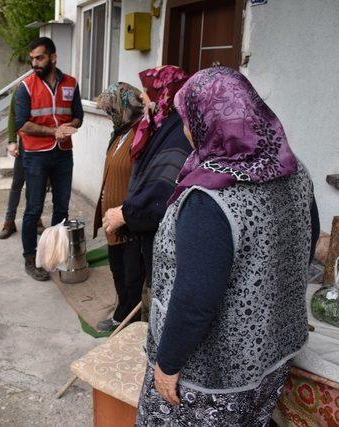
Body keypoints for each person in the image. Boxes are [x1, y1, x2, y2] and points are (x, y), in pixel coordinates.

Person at [136, 66, 320, 426]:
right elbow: (306, 245)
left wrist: (168, 363)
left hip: (214, 376)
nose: (186, 130)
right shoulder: (292, 170)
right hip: (273, 353)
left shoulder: (211, 199)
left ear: (211, 122)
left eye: (188, 120)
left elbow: (194, 300)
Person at [103, 66, 192, 321]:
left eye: (146, 92)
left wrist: (127, 213)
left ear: (164, 93)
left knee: (146, 293)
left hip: (151, 230)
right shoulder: (159, 127)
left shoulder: (177, 133)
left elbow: (163, 189)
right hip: (138, 227)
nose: (143, 99)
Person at [14, 37, 84, 281]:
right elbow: (21, 122)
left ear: (53, 57)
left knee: (62, 207)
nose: (34, 63)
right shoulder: (26, 87)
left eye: (40, 58)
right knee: (34, 209)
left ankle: (56, 254)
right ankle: (30, 258)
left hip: (63, 153)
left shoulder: (71, 84)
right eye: (32, 58)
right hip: (36, 156)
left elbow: (78, 116)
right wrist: (52, 131)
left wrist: (69, 127)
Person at [93, 83, 146, 332]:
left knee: (131, 276)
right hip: (112, 218)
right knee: (117, 269)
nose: (109, 114)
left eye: (112, 108)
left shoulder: (140, 135)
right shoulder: (119, 132)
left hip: (128, 220)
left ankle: (127, 320)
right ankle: (122, 314)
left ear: (125, 108)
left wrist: (128, 212)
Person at [0, 88, 45, 240]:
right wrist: (12, 141)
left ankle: (36, 220)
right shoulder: (21, 89)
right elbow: (12, 116)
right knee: (17, 183)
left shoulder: (46, 90)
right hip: (24, 145)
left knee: (37, 185)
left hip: (42, 146)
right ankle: (9, 221)